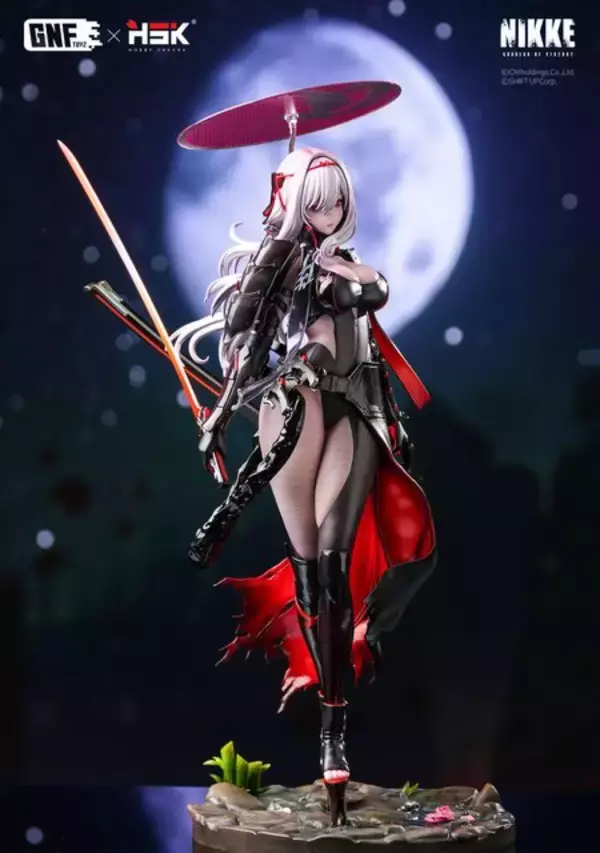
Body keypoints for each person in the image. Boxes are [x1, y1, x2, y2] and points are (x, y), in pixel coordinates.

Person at [170, 146, 437, 825]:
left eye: (336, 197)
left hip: (354, 408)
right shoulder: (282, 262)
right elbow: (247, 338)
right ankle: (230, 511)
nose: (330, 209)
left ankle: (333, 732)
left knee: (336, 560)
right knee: (310, 568)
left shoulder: (346, 263)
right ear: (294, 205)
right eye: (314, 201)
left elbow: (370, 290)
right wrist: (219, 419)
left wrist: (344, 277)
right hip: (295, 401)